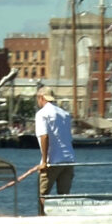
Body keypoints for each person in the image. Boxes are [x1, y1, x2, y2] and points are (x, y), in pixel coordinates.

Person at [34, 86, 76, 214]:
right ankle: (62, 222)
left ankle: (43, 221)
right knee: (64, 196)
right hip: (68, 160)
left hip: (53, 161)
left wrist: (44, 161)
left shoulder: (42, 114)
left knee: (43, 194)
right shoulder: (65, 114)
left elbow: (44, 136)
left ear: (41, 98)